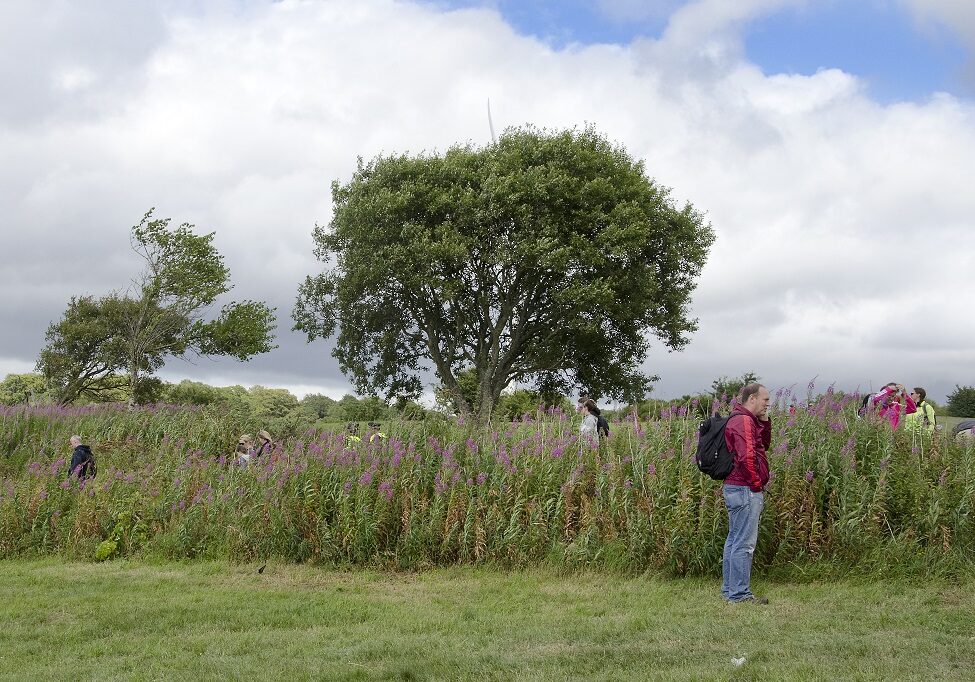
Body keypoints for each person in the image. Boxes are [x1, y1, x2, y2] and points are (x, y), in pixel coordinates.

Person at [721, 383, 772, 604]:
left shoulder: (746, 419)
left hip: (737, 487)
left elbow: (764, 444)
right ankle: (740, 595)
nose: (767, 404)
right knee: (744, 542)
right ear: (752, 399)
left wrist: (764, 420)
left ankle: (730, 590)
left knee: (734, 539)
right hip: (744, 488)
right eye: (765, 400)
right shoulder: (742, 421)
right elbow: (747, 456)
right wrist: (756, 484)